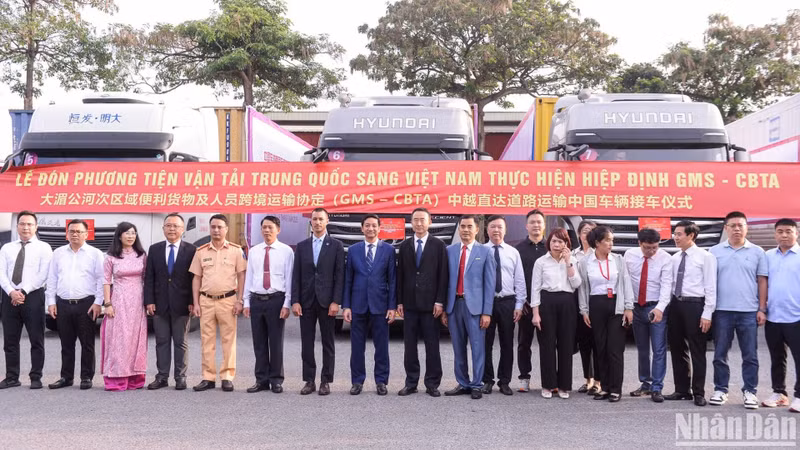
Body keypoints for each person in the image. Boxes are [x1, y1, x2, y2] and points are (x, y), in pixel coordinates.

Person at [708, 211, 767, 409]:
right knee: (720, 354)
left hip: (749, 311)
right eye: (732, 226)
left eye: (740, 225)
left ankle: (750, 391)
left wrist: (761, 308)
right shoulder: (714, 251)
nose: (736, 229)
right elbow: (709, 282)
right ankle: (720, 389)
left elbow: (762, 281)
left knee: (750, 354)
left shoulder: (758, 252)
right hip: (722, 311)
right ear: (726, 228)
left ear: (746, 227)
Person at [189, 214, 247, 392]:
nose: (216, 230)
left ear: (226, 229)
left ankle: (227, 376)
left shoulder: (236, 251)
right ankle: (208, 377)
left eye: (219, 227)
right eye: (213, 227)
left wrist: (240, 300)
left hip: (228, 300)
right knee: (207, 340)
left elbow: (242, 276)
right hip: (206, 300)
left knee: (229, 340)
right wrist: (196, 303)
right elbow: (196, 278)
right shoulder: (201, 251)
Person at [577, 226, 633, 403]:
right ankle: (605, 387)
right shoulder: (586, 262)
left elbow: (626, 284)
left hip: (616, 305)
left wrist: (628, 307)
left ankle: (616, 389)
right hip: (596, 304)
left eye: (612, 240)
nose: (611, 244)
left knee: (614, 349)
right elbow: (583, 288)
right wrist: (584, 310)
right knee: (600, 348)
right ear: (597, 242)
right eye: (608, 240)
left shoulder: (618, 259)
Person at [292, 208, 345, 396]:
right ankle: (309, 380)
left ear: (327, 221)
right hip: (306, 302)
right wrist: (295, 300)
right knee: (307, 343)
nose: (317, 222)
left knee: (327, 342)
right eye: (314, 219)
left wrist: (336, 301)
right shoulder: (302, 246)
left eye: (321, 219)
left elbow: (340, 276)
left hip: (327, 301)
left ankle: (325, 380)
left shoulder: (336, 245)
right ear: (311, 222)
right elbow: (296, 275)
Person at [46, 219, 104, 391]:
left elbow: (102, 280)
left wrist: (98, 303)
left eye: (79, 231)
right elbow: (52, 279)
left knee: (87, 343)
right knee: (66, 343)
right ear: (67, 233)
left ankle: (86, 377)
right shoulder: (58, 253)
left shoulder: (95, 254)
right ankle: (66, 377)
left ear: (87, 234)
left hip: (86, 303)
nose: (75, 234)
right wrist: (51, 302)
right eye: (72, 231)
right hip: (63, 303)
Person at [396, 208, 448, 397]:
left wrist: (440, 302)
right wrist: (399, 301)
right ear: (411, 222)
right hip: (409, 305)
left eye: (422, 220)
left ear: (429, 222)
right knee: (410, 346)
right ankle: (411, 382)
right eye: (415, 220)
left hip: (430, 305)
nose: (418, 224)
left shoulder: (438, 245)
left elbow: (443, 276)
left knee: (432, 345)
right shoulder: (405, 246)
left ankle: (432, 383)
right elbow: (400, 275)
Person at [443, 215, 496, 400]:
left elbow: (489, 285)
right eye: (462, 226)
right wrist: (444, 308)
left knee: (477, 347)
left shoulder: (486, 252)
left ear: (476, 230)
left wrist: (487, 312)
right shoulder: (449, 251)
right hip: (454, 305)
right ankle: (463, 382)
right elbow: (445, 281)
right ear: (459, 229)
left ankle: (476, 384)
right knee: (458, 347)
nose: (465, 230)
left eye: (469, 227)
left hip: (475, 308)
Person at [343, 214, 397, 396]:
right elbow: (348, 279)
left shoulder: (388, 250)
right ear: (362, 228)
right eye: (367, 225)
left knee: (381, 346)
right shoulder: (353, 250)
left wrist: (392, 306)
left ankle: (381, 381)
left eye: (374, 225)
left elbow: (393, 280)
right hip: (358, 306)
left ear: (379, 228)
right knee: (357, 347)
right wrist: (347, 306)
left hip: (380, 305)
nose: (370, 229)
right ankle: (357, 381)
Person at [665, 220, 717, 407]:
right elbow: (670, 285)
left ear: (691, 236)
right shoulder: (675, 258)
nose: (675, 237)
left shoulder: (706, 257)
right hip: (676, 305)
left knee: (697, 349)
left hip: (695, 306)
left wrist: (707, 313)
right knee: (677, 348)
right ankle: (681, 390)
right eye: (675, 234)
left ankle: (698, 392)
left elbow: (711, 287)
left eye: (679, 234)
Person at [144, 214, 197, 391]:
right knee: (161, 341)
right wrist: (149, 301)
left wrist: (192, 301)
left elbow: (193, 279)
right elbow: (149, 277)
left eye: (175, 226)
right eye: (168, 225)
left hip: (182, 304)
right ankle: (162, 377)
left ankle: (180, 377)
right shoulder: (155, 249)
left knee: (181, 342)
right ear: (163, 229)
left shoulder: (191, 250)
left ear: (182, 229)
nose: (172, 229)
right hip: (159, 304)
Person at [0, 211, 52, 390]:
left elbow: (43, 274)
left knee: (36, 339)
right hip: (9, 298)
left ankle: (36, 376)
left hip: (33, 296)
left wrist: (23, 291)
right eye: (22, 224)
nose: (26, 227)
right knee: (10, 340)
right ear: (17, 226)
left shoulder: (44, 247)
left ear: (36, 226)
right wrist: (11, 292)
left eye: (30, 224)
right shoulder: (7, 248)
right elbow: (1, 273)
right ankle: (12, 376)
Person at [243, 216, 293, 394]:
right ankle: (261, 379)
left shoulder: (286, 251)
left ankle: (276, 379)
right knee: (259, 342)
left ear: (278, 230)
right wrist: (246, 301)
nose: (267, 231)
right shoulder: (255, 251)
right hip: (257, 300)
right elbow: (249, 277)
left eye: (270, 227)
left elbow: (289, 278)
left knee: (275, 341)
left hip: (276, 299)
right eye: (264, 227)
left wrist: (287, 303)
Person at [623, 228, 672, 403]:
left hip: (657, 307)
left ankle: (657, 387)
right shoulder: (629, 255)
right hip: (636, 307)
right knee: (642, 349)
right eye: (647, 248)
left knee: (658, 349)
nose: (651, 251)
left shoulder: (665, 258)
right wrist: (627, 306)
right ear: (639, 243)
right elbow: (626, 281)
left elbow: (667, 286)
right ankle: (645, 383)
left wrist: (660, 308)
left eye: (654, 248)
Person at [532, 227, 581, 399]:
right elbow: (535, 288)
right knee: (547, 345)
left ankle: (564, 386)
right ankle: (548, 385)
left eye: (560, 241)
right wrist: (535, 313)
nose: (557, 244)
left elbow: (576, 284)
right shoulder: (541, 262)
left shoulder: (573, 260)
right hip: (547, 303)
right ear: (549, 242)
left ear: (566, 243)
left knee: (566, 345)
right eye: (554, 241)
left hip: (567, 303)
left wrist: (568, 262)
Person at [481, 215, 526, 396]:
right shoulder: (481, 251)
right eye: (493, 227)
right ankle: (487, 380)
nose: (496, 230)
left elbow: (520, 280)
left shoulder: (513, 252)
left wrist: (519, 305)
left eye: (500, 227)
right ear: (487, 229)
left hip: (508, 301)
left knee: (507, 343)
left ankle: (505, 381)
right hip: (486, 303)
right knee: (486, 343)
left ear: (505, 230)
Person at [101, 222, 148, 391]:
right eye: (127, 233)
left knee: (136, 340)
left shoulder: (141, 255)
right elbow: (106, 281)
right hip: (119, 300)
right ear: (119, 235)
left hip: (137, 301)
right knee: (119, 339)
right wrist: (108, 304)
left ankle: (135, 377)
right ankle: (117, 378)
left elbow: (146, 279)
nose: (130, 236)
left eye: (133, 233)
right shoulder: (111, 257)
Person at [762, 219, 800, 411]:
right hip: (774, 317)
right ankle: (779, 393)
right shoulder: (768, 256)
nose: (784, 235)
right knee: (777, 358)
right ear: (775, 234)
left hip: (797, 317)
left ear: (797, 233)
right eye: (780, 232)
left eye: (788, 231)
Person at [514, 209, 547, 393]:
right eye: (532, 222)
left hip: (546, 305)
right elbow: (516, 278)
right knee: (524, 343)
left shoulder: (550, 247)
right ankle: (524, 377)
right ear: (526, 226)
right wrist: (521, 301)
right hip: (526, 305)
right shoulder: (518, 249)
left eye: (539, 222)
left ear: (544, 225)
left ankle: (548, 379)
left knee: (547, 343)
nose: (536, 225)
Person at [572, 220, 601, 395]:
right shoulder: (573, 254)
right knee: (584, 344)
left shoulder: (599, 254)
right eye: (584, 231)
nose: (587, 234)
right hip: (577, 304)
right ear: (579, 234)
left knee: (597, 343)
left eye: (591, 231)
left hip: (596, 303)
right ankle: (588, 379)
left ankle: (598, 381)